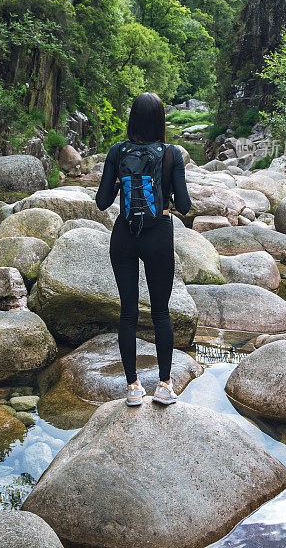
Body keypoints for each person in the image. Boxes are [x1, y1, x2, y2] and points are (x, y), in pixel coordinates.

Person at [95, 92, 191, 407]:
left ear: (133, 119)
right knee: (161, 312)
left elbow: (102, 202)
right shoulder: (171, 154)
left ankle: (133, 387)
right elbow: (187, 206)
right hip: (158, 234)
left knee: (128, 312)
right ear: (161, 120)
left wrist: (125, 181)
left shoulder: (116, 151)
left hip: (124, 234)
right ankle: (164, 385)